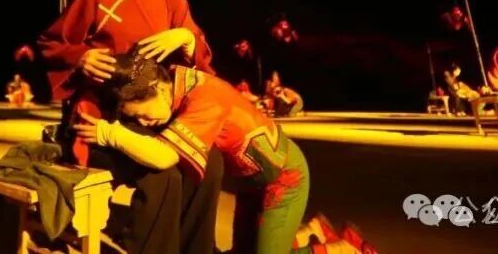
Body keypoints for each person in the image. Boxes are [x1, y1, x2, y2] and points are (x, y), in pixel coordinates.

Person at [37, 0, 221, 254]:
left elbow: (201, 64)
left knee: (207, 161)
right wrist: (81, 57)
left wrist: (185, 38)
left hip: (157, 112)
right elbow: (50, 43)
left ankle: (195, 248)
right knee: (162, 172)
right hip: (107, 115)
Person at [75, 47, 371, 254]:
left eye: (142, 114)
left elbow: (163, 156)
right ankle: (310, 231)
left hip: (284, 180)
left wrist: (110, 133)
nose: (142, 122)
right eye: (135, 118)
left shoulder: (203, 101)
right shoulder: (171, 81)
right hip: (252, 182)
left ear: (161, 90)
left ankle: (340, 249)